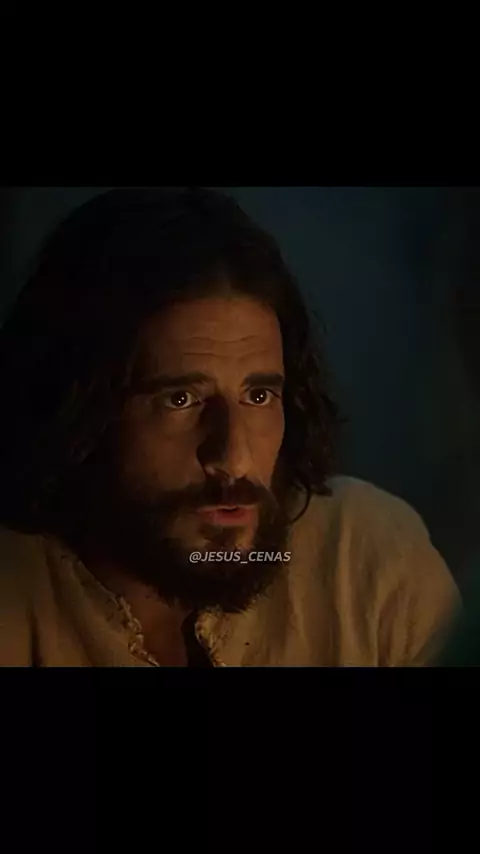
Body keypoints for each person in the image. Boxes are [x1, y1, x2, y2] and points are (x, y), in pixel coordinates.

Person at [0, 187, 459, 667]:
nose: (233, 458)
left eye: (258, 397)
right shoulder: (19, 588)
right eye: (180, 399)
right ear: (79, 413)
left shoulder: (367, 557)